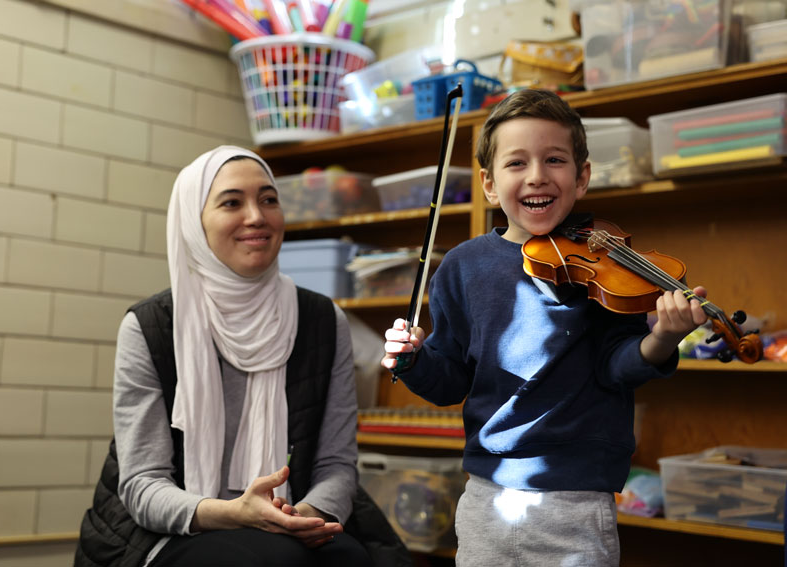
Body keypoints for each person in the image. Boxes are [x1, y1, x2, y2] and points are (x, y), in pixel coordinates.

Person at [381, 89, 708, 567]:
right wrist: (412, 357)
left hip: (576, 497)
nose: (537, 176)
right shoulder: (461, 267)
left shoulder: (608, 262)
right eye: (517, 164)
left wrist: (661, 338)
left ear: (582, 178)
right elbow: (450, 380)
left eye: (554, 160)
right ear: (490, 185)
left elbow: (617, 366)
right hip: (487, 495)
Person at [76, 145, 411, 567]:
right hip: (169, 531)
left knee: (347, 559)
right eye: (232, 202)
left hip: (290, 520)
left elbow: (336, 464)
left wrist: (300, 517)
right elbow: (144, 486)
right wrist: (235, 514)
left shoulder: (324, 320)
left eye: (269, 199)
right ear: (194, 222)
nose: (257, 216)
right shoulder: (149, 326)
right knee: (271, 560)